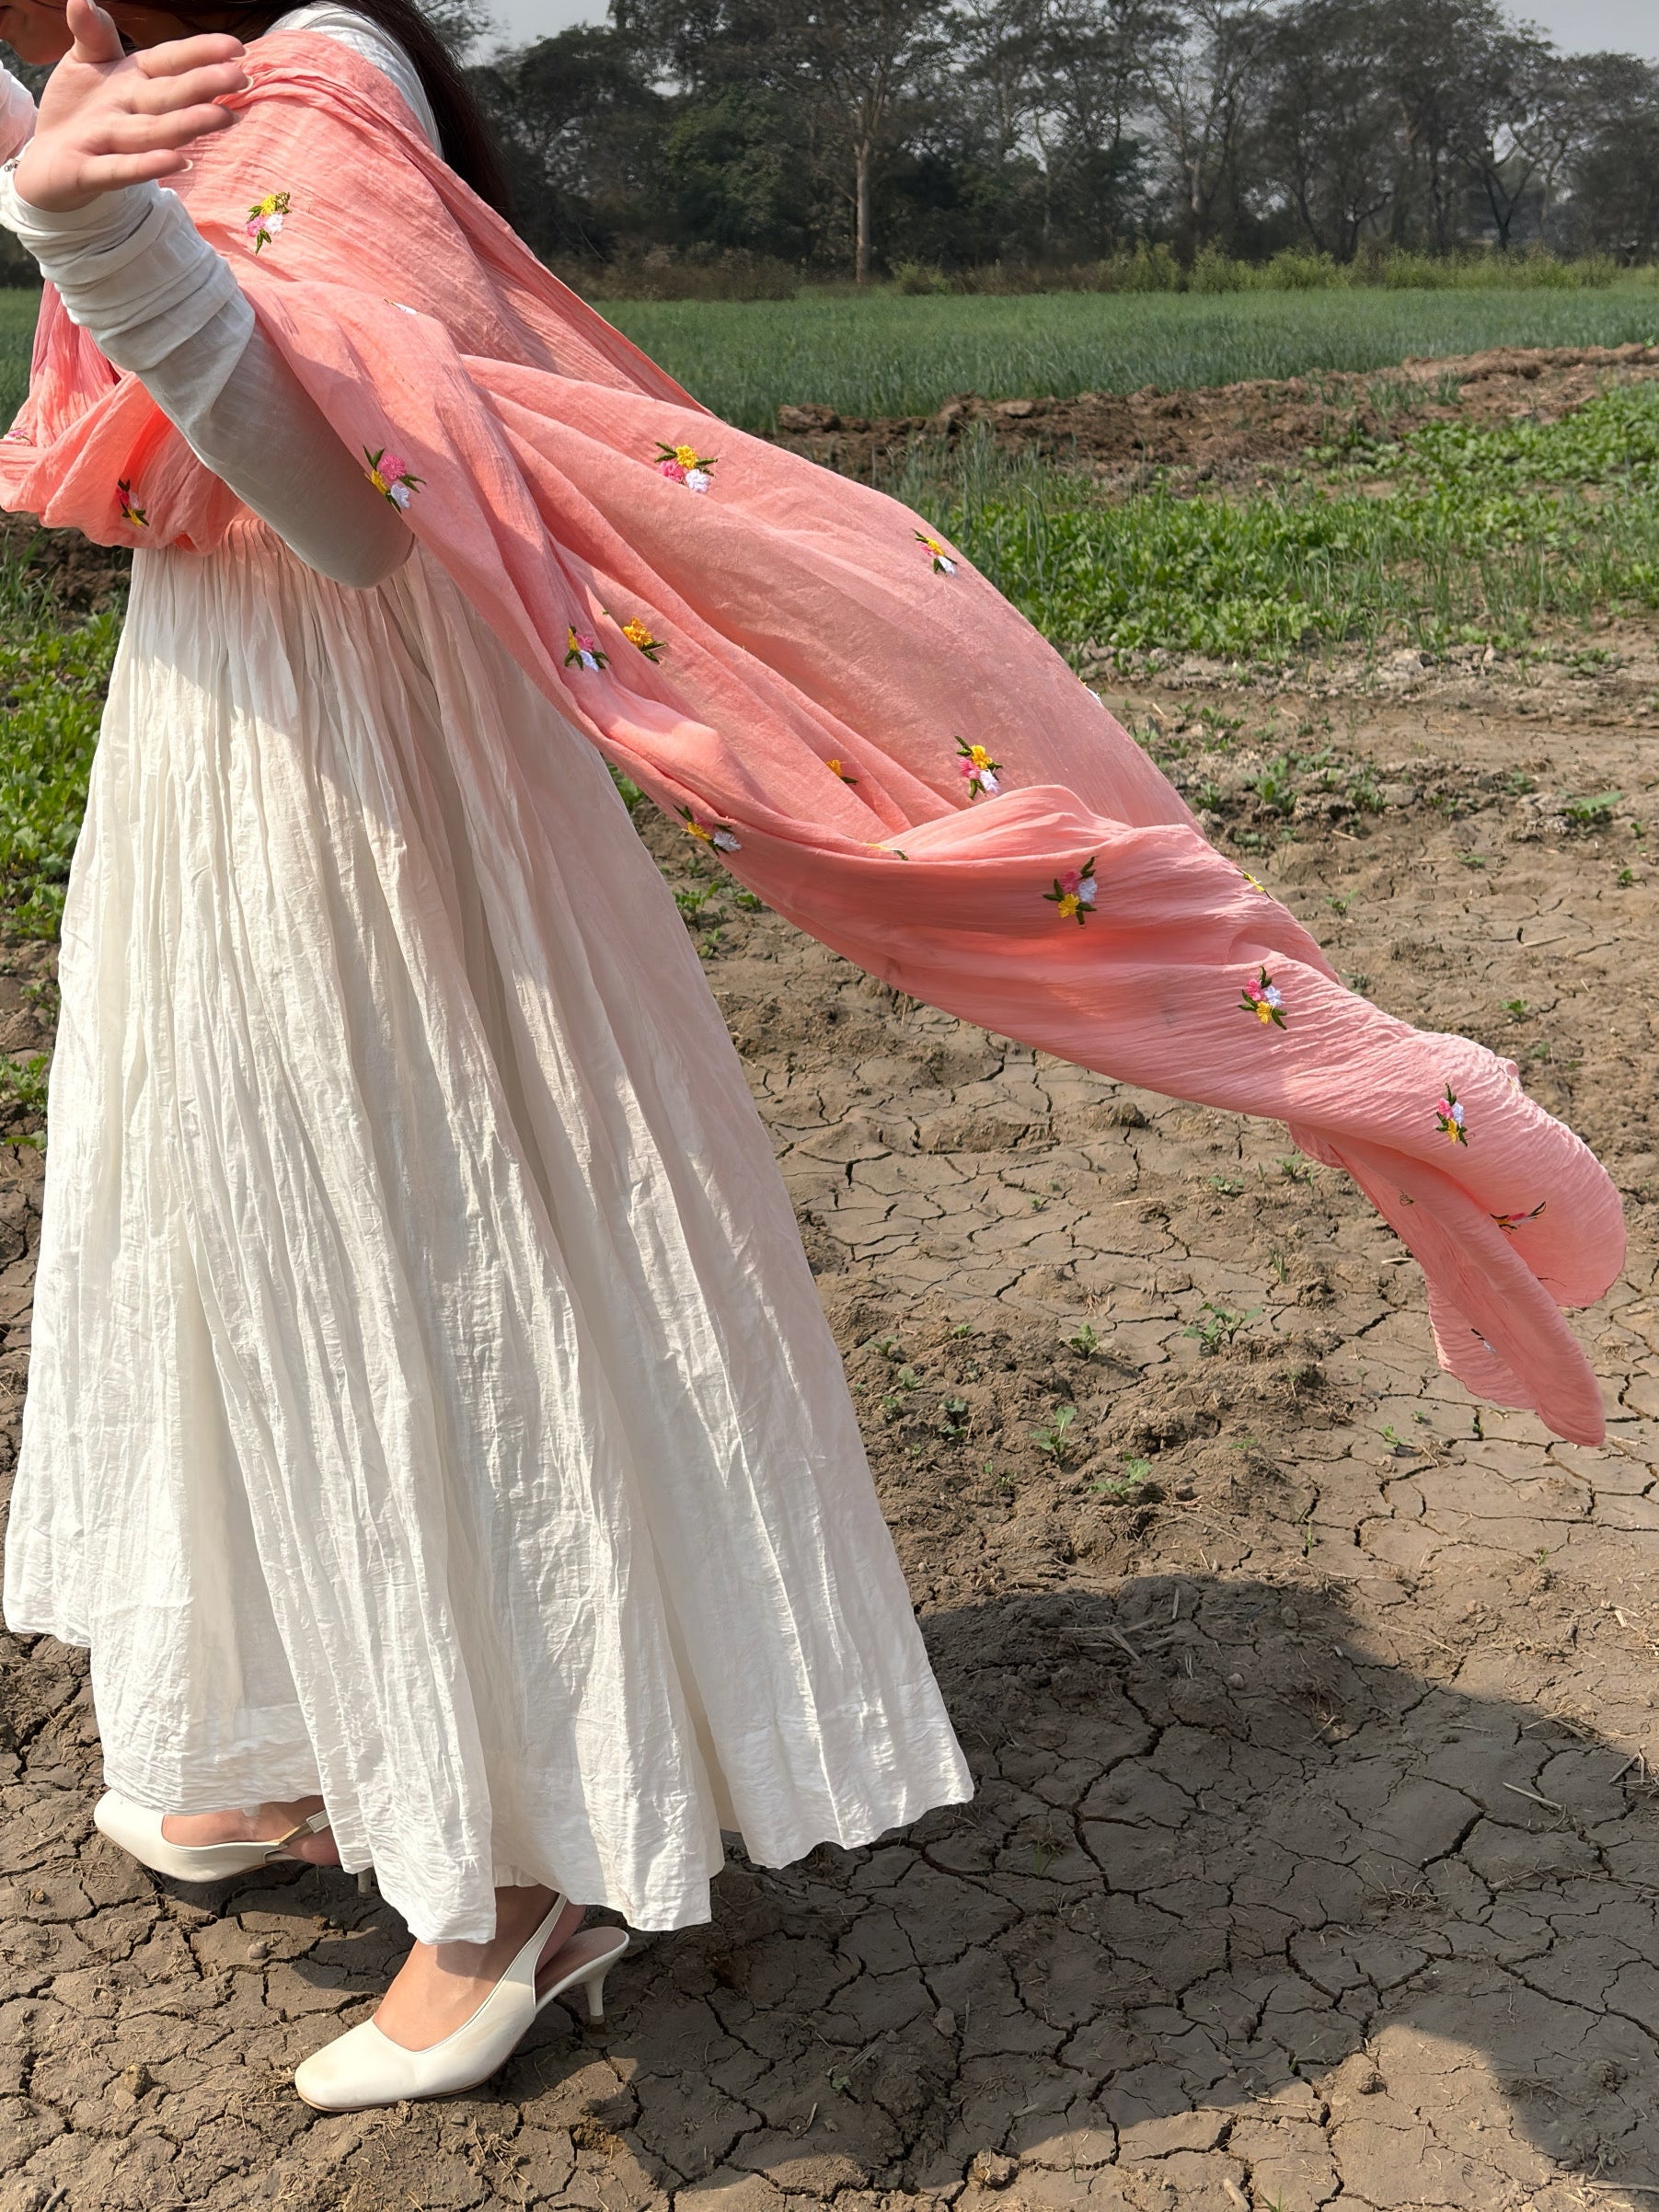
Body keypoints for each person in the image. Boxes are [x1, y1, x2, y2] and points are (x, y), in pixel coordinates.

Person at [0, 0, 1624, 2116]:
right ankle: (270, 1729)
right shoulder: (109, 82)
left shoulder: (314, 72)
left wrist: (93, 238)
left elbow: (352, 507)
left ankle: (521, 1866)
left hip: (384, 795)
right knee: (221, 1241)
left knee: (431, 1267)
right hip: (216, 751)